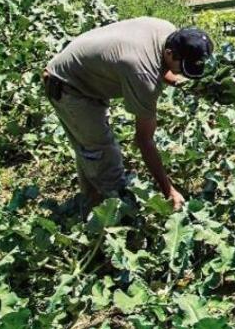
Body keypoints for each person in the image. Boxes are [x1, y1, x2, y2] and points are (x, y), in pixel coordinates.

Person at [42, 17, 212, 211]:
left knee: (90, 150)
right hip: (69, 88)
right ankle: (114, 218)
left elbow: (158, 64)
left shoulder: (165, 30)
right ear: (169, 53)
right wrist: (168, 190)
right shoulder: (143, 76)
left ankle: (90, 207)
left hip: (81, 72)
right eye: (183, 68)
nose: (183, 73)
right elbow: (144, 140)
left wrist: (179, 82)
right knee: (103, 156)